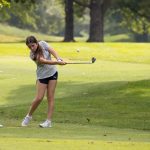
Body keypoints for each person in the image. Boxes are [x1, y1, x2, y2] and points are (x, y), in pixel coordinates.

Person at [21, 36, 67, 128]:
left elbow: (52, 50)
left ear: (37, 43)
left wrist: (58, 58)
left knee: (50, 97)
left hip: (53, 73)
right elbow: (44, 61)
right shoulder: (32, 55)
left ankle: (48, 121)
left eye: (33, 45)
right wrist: (58, 63)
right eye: (29, 47)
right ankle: (28, 116)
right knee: (39, 98)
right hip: (42, 76)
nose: (32, 48)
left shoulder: (43, 44)